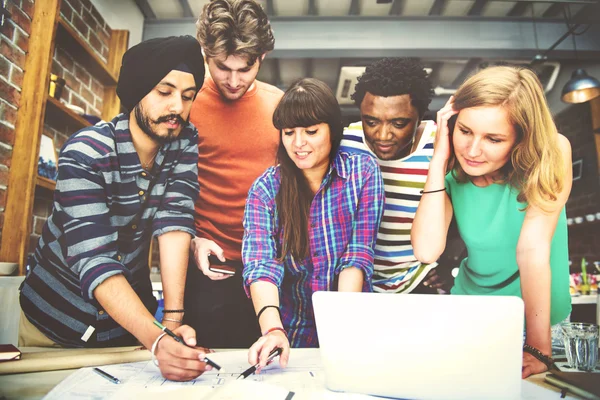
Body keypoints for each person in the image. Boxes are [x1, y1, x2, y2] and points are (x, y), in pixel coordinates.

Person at [19, 36, 212, 381]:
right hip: (53, 326)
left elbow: (175, 222)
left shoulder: (183, 139)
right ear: (137, 91)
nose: (178, 108)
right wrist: (157, 340)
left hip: (127, 329)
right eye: (164, 92)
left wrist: (170, 323)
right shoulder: (86, 152)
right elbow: (94, 259)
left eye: (187, 96)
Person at [411, 66, 572, 379]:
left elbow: (532, 250)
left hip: (539, 326)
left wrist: (539, 348)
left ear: (520, 138)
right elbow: (426, 251)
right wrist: (438, 159)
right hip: (469, 316)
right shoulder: (453, 169)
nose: (472, 151)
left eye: (494, 139)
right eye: (465, 131)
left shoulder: (553, 151)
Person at [242, 78, 385, 368]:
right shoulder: (265, 189)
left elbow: (357, 255)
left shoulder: (362, 173)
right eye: (289, 132)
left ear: (333, 129)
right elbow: (261, 265)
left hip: (351, 324)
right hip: (291, 332)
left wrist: (341, 328)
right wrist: (272, 329)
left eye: (311, 131)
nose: (298, 143)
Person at [183, 0, 283, 348]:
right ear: (205, 53)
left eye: (246, 68)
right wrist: (192, 240)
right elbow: (164, 189)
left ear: (262, 57)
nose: (234, 80)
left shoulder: (279, 106)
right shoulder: (185, 104)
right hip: (207, 267)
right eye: (223, 67)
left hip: (270, 266)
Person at [339, 58, 448, 294]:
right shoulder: (345, 144)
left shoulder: (440, 145)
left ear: (420, 116)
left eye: (399, 123)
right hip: (354, 283)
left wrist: (447, 263)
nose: (383, 135)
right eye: (371, 122)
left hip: (416, 282)